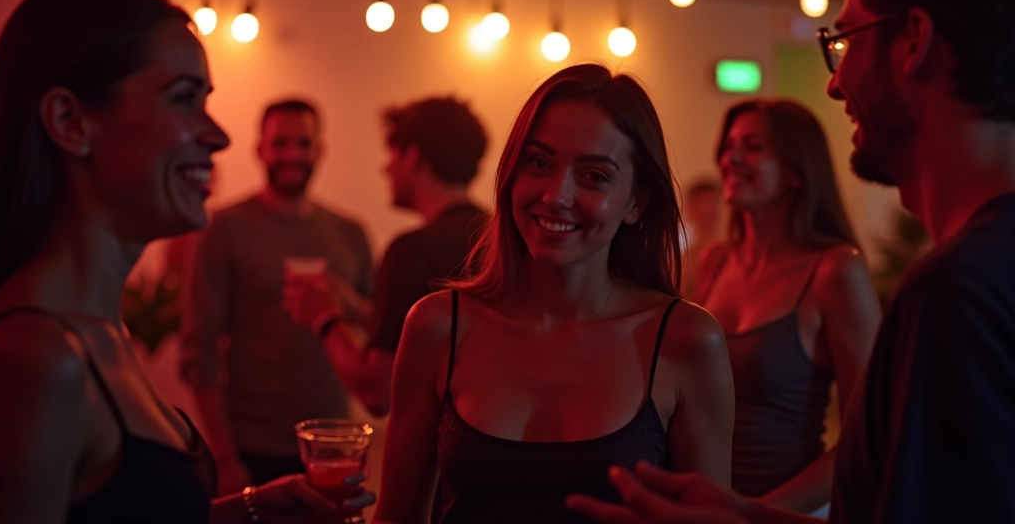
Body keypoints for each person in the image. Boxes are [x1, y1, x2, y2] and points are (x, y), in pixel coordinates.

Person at [567, 0, 1015, 522]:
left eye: (847, 41)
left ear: (914, 41)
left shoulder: (958, 291)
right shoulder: (974, 275)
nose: (835, 84)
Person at [0, 0, 369, 523]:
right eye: (185, 99)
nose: (218, 136)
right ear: (71, 122)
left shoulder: (94, 327)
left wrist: (250, 510)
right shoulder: (35, 356)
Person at [373, 63, 735, 524]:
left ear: (636, 203)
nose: (556, 195)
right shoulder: (438, 325)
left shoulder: (685, 339)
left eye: (595, 176)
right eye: (540, 163)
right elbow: (395, 518)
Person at [691, 99, 880, 514]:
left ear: (796, 171)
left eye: (753, 146)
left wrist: (751, 514)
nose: (731, 158)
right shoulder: (713, 262)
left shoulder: (834, 270)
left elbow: (868, 437)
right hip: (707, 510)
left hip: (786, 512)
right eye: (729, 145)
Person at [180, 99, 374, 492]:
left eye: (302, 143)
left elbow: (382, 327)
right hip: (251, 445)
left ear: (319, 150)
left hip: (332, 441)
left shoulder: (350, 233)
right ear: (260, 150)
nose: (292, 155)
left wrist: (346, 304)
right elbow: (198, 350)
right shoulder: (224, 228)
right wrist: (225, 458)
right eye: (280, 143)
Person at [283, 96, 488, 417]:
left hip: (441, 458)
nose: (385, 167)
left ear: (412, 156)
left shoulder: (413, 250)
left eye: (392, 154)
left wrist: (324, 318)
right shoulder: (497, 236)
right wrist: (358, 311)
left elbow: (377, 392)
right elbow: (440, 337)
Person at [680, 178, 723, 297]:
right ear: (690, 211)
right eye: (700, 206)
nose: (706, 210)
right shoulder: (684, 262)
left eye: (711, 206)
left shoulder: (737, 255)